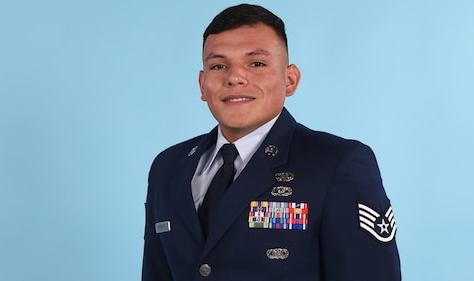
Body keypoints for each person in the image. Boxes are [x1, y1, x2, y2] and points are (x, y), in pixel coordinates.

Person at [142, 4, 401, 281]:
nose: (235, 78)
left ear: (290, 80)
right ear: (202, 84)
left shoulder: (336, 164)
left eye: (257, 63)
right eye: (219, 65)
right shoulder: (169, 167)